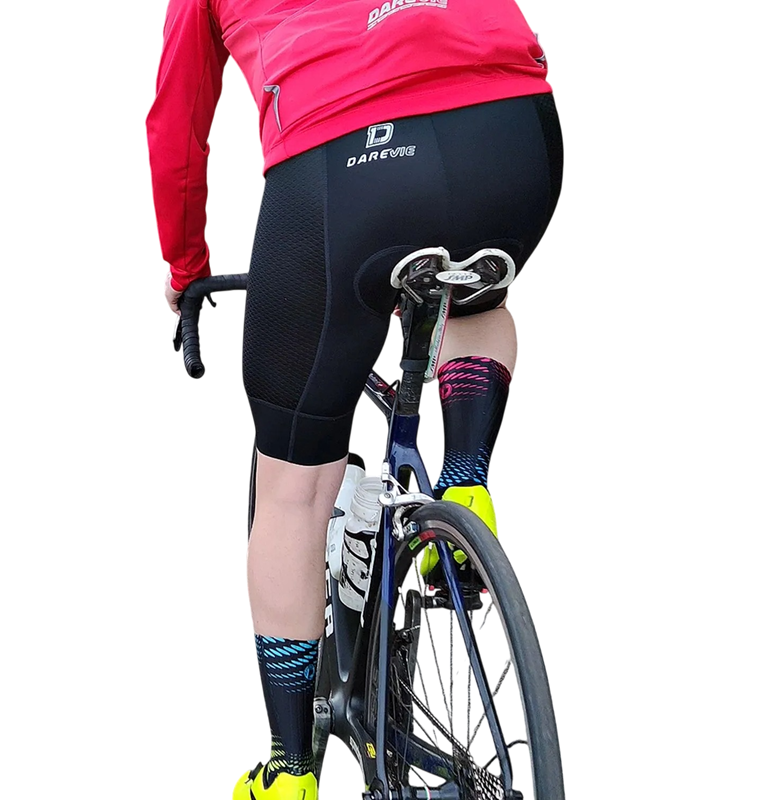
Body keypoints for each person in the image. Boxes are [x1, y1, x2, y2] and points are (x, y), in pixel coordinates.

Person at [147, 0, 562, 796]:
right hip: (513, 134)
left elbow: (176, 125)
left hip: (348, 160)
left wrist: (185, 267)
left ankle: (289, 768)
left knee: (294, 487)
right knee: (474, 298)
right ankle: (465, 481)